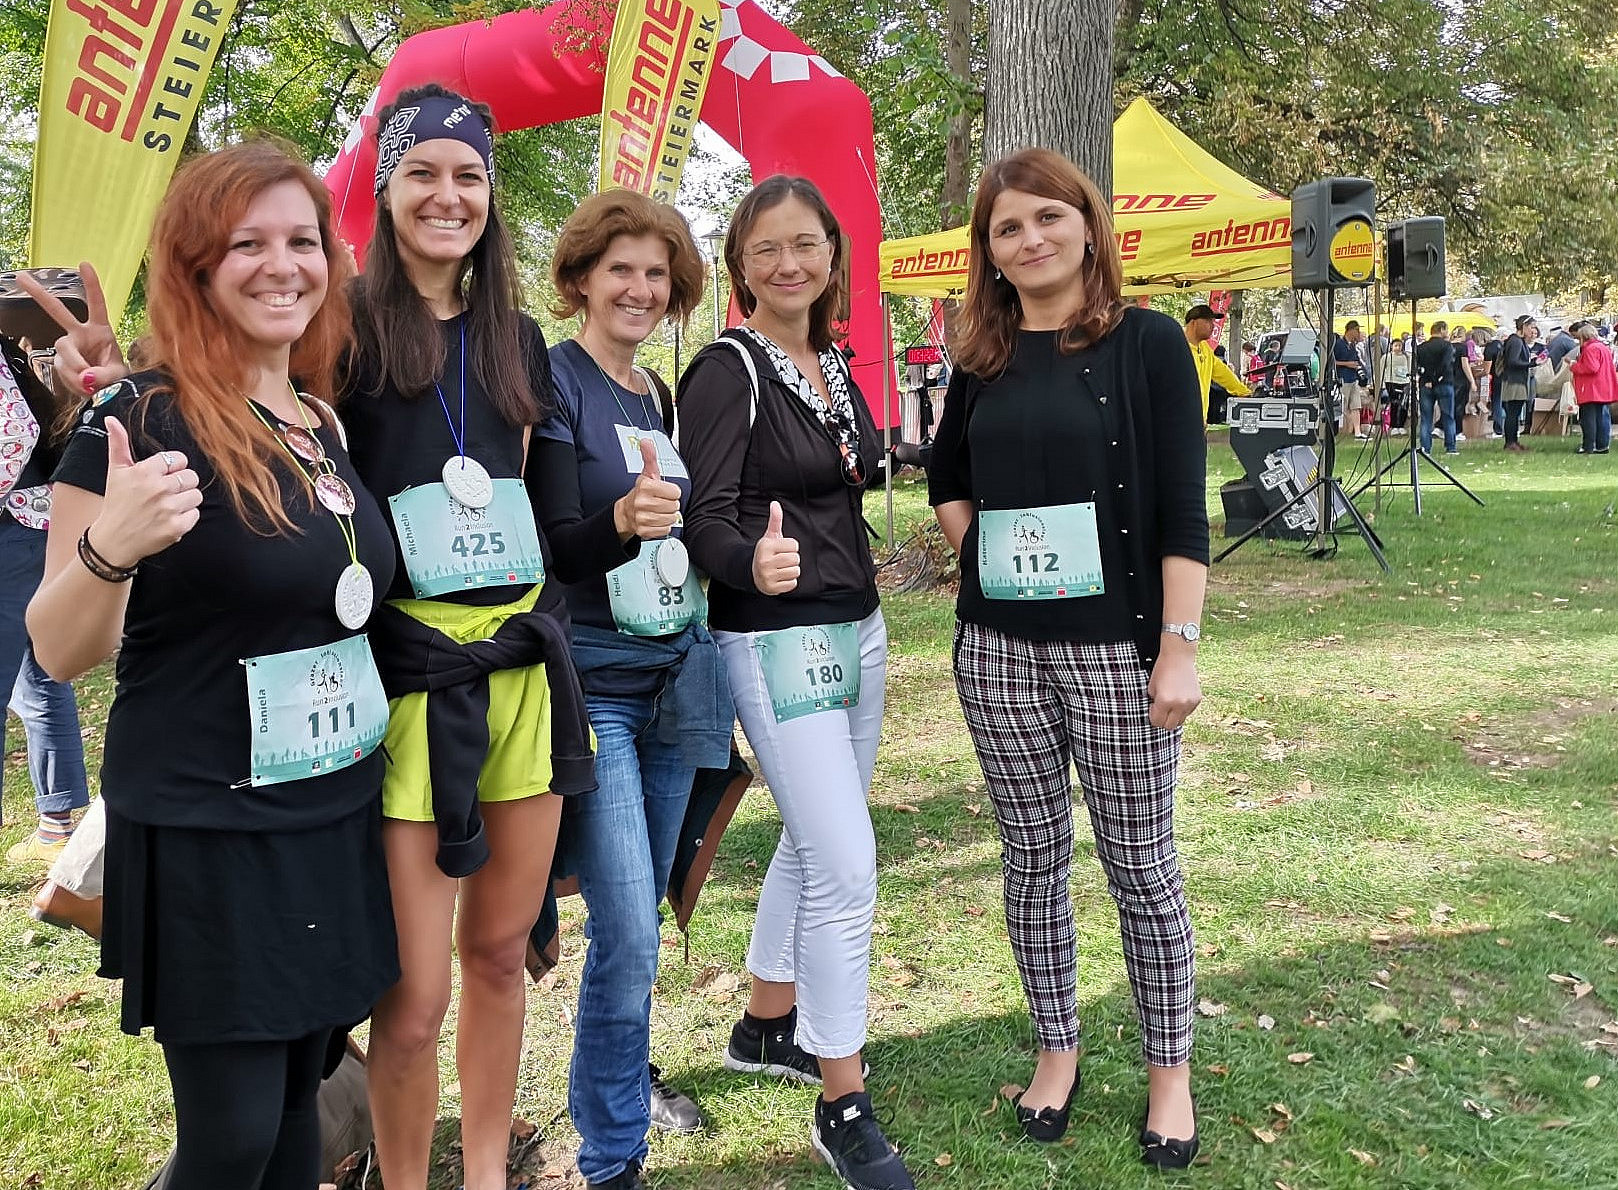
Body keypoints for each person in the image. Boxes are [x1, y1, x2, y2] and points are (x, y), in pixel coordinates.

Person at [25, 140, 399, 1190]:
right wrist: (116, 544)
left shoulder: (319, 419)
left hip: (330, 808)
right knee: (232, 1136)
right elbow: (60, 645)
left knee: (300, 1118)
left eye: (301, 240)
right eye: (247, 244)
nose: (283, 265)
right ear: (195, 265)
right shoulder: (134, 417)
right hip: (211, 826)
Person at [925, 148, 1208, 1168]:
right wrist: (987, 563)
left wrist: (1177, 647)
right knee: (1033, 860)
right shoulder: (981, 356)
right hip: (998, 654)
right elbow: (944, 479)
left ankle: (1167, 1068)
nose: (1031, 238)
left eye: (1048, 216)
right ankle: (1057, 1046)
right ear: (990, 254)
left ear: (1087, 225)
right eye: (1008, 227)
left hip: (1118, 655)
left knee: (1140, 865)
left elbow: (1182, 506)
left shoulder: (1148, 345)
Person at [336, 84, 594, 1190]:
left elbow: (542, 503)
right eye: (423, 173)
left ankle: (484, 1170)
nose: (449, 196)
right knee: (412, 987)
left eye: (469, 176)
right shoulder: (338, 327)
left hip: (523, 672)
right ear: (386, 188)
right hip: (410, 677)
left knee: (499, 952)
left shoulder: (517, 337)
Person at [677, 175, 914, 1190]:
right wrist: (748, 563)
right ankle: (840, 1095)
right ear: (739, 266)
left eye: (804, 244)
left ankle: (765, 1022)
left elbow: (858, 460)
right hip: (776, 641)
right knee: (848, 864)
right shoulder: (727, 370)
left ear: (831, 255)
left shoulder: (828, 357)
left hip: (855, 630)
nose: (788, 263)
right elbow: (702, 517)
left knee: (821, 843)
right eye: (766, 249)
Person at [532, 188, 734, 1190]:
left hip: (672, 680)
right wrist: (621, 518)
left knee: (643, 915)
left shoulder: (654, 394)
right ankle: (612, 1156)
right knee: (623, 927)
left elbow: (683, 538)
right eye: (621, 269)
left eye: (657, 273)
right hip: (598, 690)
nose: (641, 288)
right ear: (580, 279)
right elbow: (556, 545)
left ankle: (623, 1082)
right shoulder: (556, 384)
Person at [1, 328, 90, 863]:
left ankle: (57, 825)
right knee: (38, 676)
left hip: (17, 529)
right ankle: (56, 827)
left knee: (35, 676)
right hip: (33, 524)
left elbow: (12, 439)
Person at [1182, 303, 1248, 423]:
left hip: (1200, 421)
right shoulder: (1177, 347)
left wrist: (1244, 393)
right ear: (1193, 323)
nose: (1213, 326)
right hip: (1179, 421)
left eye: (1213, 321)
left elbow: (1223, 373)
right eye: (1208, 321)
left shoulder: (1205, 348)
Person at [1414, 320, 1458, 454]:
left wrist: (1428, 379)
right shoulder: (1447, 346)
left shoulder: (1421, 347)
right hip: (1444, 383)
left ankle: (1425, 447)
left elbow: (1418, 367)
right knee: (1448, 416)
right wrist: (1435, 379)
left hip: (1425, 385)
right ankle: (1450, 447)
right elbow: (1445, 365)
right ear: (1442, 329)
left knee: (1426, 418)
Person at [1570, 321, 1615, 454]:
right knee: (1602, 418)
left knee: (1589, 418)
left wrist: (1574, 366)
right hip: (1603, 388)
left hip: (1591, 389)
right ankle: (1602, 445)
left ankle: (1589, 445)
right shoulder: (1602, 347)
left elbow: (1591, 367)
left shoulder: (1590, 349)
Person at [1499, 316, 1536, 452]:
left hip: (1517, 380)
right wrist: (1532, 363)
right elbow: (1512, 362)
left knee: (1514, 412)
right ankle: (1510, 442)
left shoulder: (1517, 341)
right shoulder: (1515, 342)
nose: (1533, 331)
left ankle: (1513, 441)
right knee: (1513, 413)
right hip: (1514, 381)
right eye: (1531, 327)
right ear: (1524, 326)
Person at [1333, 321, 1370, 438]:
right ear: (1351, 330)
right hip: (1343, 379)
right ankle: (1343, 430)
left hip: (1353, 379)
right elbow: (1332, 361)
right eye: (1357, 331)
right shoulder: (1338, 344)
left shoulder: (1353, 345)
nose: (1358, 333)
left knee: (1356, 406)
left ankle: (1358, 432)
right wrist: (1346, 364)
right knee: (1344, 406)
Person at [1383, 337, 1411, 433]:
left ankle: (1401, 425)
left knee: (1404, 404)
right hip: (1392, 382)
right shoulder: (1386, 357)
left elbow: (1410, 368)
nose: (1398, 348)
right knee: (1394, 404)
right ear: (1391, 346)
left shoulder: (1406, 357)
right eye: (1396, 345)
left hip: (1404, 382)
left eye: (1400, 345)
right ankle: (1394, 425)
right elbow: (1381, 369)